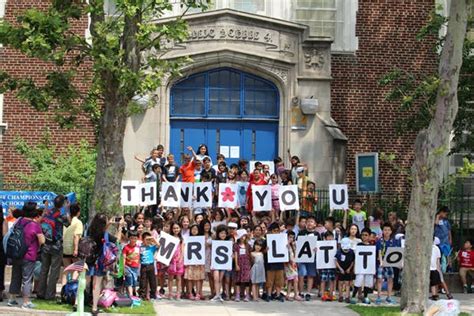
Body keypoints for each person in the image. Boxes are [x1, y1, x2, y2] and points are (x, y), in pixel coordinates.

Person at [7, 202, 45, 309]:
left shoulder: (19, 221)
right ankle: (26, 302)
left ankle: (12, 299)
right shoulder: (35, 225)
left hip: (16, 254)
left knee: (15, 276)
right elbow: (42, 240)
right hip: (29, 256)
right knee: (27, 279)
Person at [86, 214, 123, 316]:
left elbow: (101, 232)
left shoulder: (90, 230)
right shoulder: (105, 234)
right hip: (100, 262)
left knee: (86, 282)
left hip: (89, 259)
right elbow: (117, 241)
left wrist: (109, 224)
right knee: (97, 285)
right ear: (104, 223)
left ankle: (77, 302)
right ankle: (94, 307)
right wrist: (120, 228)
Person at [38, 195, 69, 300]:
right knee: (54, 270)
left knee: (44, 269)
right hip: (56, 246)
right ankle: (50, 294)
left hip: (45, 244)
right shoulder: (60, 214)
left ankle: (40, 292)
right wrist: (68, 209)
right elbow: (68, 223)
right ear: (62, 204)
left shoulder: (48, 212)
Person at [296, 215, 320, 301]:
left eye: (311, 222)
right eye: (308, 221)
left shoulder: (317, 234)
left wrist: (317, 248)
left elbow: (320, 246)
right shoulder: (301, 232)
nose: (309, 223)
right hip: (302, 257)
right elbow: (297, 243)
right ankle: (301, 292)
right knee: (302, 274)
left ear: (315, 224)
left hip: (312, 257)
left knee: (311, 275)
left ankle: (308, 293)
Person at [375, 223, 399, 305]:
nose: (387, 231)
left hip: (390, 263)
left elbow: (395, 252)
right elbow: (379, 252)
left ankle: (389, 296)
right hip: (381, 263)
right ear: (382, 231)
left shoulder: (393, 241)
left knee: (390, 279)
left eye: (388, 230)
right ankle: (378, 296)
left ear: (391, 231)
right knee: (379, 279)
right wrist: (381, 262)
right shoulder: (379, 241)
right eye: (385, 230)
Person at [62, 203, 83, 285]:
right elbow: (76, 236)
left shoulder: (67, 221)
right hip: (73, 248)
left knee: (67, 269)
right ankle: (72, 286)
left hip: (64, 248)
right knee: (78, 268)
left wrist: (67, 208)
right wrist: (76, 249)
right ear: (78, 212)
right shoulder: (78, 222)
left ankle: (64, 289)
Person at [265, 222, 285, 302]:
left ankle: (278, 294)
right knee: (270, 280)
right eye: (274, 230)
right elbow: (262, 251)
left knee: (279, 280)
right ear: (271, 231)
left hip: (279, 263)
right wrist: (265, 250)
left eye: (277, 230)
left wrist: (287, 246)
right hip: (270, 263)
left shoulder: (282, 239)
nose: (276, 232)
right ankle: (269, 295)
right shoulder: (267, 239)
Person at [352, 228, 374, 304]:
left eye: (366, 235)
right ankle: (354, 296)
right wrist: (354, 266)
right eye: (363, 235)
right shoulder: (359, 245)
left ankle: (365, 296)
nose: (364, 236)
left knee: (368, 282)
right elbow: (356, 257)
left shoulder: (372, 246)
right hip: (360, 266)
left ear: (369, 236)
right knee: (358, 281)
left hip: (369, 267)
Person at [184, 224, 205, 300]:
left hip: (198, 262)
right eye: (193, 229)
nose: (194, 230)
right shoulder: (187, 238)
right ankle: (190, 293)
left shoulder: (201, 239)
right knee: (190, 278)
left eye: (196, 229)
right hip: (189, 261)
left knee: (198, 279)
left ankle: (198, 293)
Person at [211, 225, 230, 302]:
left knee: (220, 279)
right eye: (221, 233)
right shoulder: (214, 242)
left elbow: (230, 254)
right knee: (216, 278)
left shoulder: (228, 243)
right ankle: (217, 294)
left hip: (223, 264)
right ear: (218, 234)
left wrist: (231, 256)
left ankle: (219, 295)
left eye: (224, 233)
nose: (223, 235)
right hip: (216, 263)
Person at [233, 229, 251, 302]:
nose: (244, 237)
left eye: (245, 236)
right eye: (242, 236)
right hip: (240, 264)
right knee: (238, 280)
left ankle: (247, 295)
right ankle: (237, 294)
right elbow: (236, 255)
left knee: (246, 280)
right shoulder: (236, 245)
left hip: (246, 264)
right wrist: (236, 264)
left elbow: (249, 254)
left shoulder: (248, 245)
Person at [139, 232, 158, 300]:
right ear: (143, 239)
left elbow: (159, 245)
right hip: (143, 265)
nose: (147, 241)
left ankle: (153, 295)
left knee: (152, 281)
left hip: (151, 265)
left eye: (149, 239)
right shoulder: (140, 247)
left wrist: (152, 238)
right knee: (143, 281)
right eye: (146, 239)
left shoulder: (151, 247)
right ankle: (142, 295)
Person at [167, 222, 184, 299]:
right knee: (170, 277)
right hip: (171, 260)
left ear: (180, 229)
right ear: (171, 229)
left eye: (177, 228)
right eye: (174, 228)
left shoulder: (181, 239)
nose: (176, 229)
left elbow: (182, 250)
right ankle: (170, 293)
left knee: (178, 278)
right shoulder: (169, 238)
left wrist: (181, 259)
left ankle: (178, 293)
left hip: (179, 260)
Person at [336, 237, 355, 303]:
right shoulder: (339, 251)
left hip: (348, 270)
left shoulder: (351, 252)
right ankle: (340, 296)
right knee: (340, 283)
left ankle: (347, 297)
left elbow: (353, 261)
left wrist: (349, 268)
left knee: (347, 283)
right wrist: (340, 269)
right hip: (341, 269)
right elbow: (336, 260)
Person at [123, 230, 140, 298]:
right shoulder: (126, 247)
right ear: (129, 238)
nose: (133, 240)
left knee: (134, 281)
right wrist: (123, 267)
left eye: (135, 238)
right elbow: (124, 258)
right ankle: (131, 295)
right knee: (129, 280)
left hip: (135, 267)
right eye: (132, 238)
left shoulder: (138, 247)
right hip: (127, 267)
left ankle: (133, 293)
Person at [320, 231, 337, 302]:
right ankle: (322, 294)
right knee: (323, 279)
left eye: (331, 237)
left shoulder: (334, 244)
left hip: (332, 264)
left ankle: (331, 294)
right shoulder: (321, 244)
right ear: (325, 238)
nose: (330, 238)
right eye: (328, 237)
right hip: (324, 265)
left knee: (331, 280)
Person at [285, 231, 300, 301]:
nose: (291, 239)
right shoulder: (285, 245)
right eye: (290, 237)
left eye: (293, 238)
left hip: (293, 264)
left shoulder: (292, 245)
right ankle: (296, 294)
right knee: (294, 279)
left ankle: (288, 295)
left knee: (291, 280)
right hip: (288, 264)